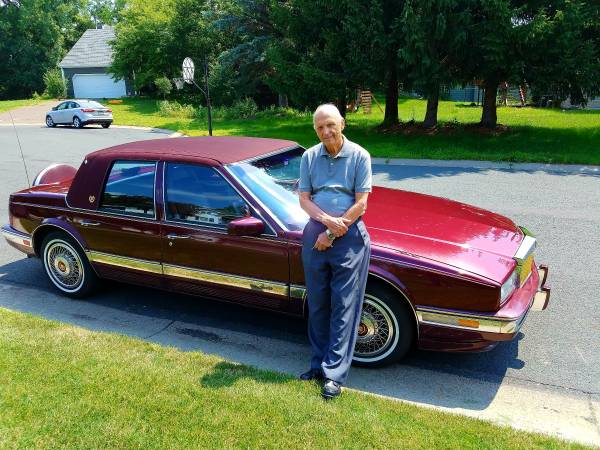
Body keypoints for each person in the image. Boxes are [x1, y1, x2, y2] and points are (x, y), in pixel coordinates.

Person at [298, 103, 372, 399]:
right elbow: (304, 198)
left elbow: (362, 203)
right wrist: (326, 223)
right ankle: (317, 364)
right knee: (317, 303)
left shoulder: (359, 156)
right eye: (319, 127)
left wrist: (331, 231)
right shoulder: (309, 156)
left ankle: (334, 375)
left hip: (349, 235)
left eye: (330, 124)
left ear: (342, 123)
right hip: (317, 231)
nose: (325, 131)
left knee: (344, 306)